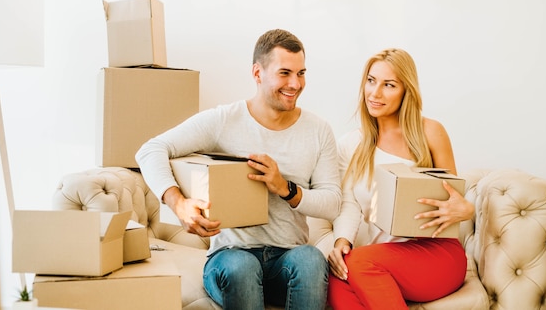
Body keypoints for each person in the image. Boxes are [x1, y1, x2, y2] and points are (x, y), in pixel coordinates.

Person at [136, 28, 341, 310]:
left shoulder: (318, 131)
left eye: (301, 73)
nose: (295, 84)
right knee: (242, 266)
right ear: (257, 73)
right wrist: (178, 203)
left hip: (287, 261)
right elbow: (150, 150)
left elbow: (332, 204)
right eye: (285, 73)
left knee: (310, 258)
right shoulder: (224, 120)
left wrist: (286, 188)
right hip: (230, 258)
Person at [327, 48, 475, 309]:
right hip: (379, 260)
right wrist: (342, 241)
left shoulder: (430, 132)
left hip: (436, 255)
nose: (375, 93)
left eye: (389, 85)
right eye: (371, 81)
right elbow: (349, 204)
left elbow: (455, 198)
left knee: (359, 262)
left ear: (406, 90)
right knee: (335, 278)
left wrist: (466, 209)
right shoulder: (351, 144)